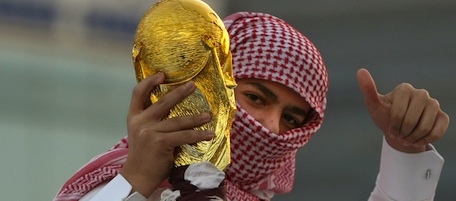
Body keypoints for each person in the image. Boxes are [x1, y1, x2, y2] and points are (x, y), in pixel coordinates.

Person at [53, 12, 449, 201]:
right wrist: (137, 178)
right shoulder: (114, 185)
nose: (269, 127)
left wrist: (404, 147)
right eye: (256, 98)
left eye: (292, 119)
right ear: (206, 87)